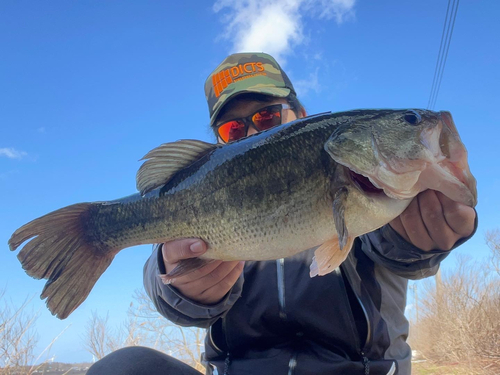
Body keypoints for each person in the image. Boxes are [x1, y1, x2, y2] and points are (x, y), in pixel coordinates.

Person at [88, 53, 477, 375]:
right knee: (123, 368)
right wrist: (178, 285)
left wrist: (425, 235)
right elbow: (161, 272)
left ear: (301, 114)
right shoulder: (203, 195)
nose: (252, 133)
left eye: (268, 116)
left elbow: (393, 248)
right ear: (217, 141)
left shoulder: (381, 198)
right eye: (231, 128)